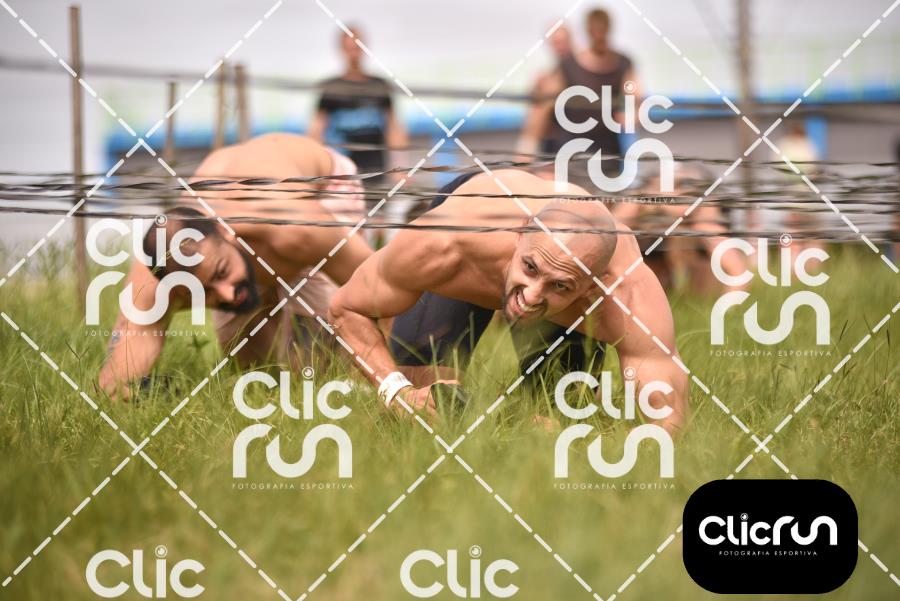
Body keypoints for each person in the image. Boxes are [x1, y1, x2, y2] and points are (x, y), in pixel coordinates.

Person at [329, 169, 687, 433]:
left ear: (593, 287)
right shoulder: (447, 241)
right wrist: (397, 392)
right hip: (478, 208)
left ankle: (506, 414)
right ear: (519, 234)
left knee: (561, 415)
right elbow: (346, 308)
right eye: (529, 268)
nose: (530, 297)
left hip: (572, 249)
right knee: (427, 407)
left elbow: (668, 421)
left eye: (559, 285)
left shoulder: (625, 294)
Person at [98, 133, 373, 398]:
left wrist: (386, 378)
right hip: (251, 227)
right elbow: (119, 371)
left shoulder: (297, 227)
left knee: (316, 368)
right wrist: (126, 389)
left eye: (222, 272)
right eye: (205, 292)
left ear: (225, 231)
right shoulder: (161, 265)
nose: (227, 294)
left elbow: (375, 286)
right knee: (251, 368)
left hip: (324, 189)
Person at [309, 25, 409, 246]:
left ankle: (377, 260)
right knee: (353, 227)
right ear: (342, 50)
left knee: (381, 224)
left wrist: (401, 166)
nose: (354, 52)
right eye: (349, 48)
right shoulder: (332, 88)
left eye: (358, 47)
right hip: (345, 172)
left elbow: (393, 127)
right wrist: (316, 167)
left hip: (378, 167)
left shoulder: (379, 86)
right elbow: (317, 130)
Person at [519, 8, 639, 175]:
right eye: (554, 43)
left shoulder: (621, 63)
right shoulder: (558, 72)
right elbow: (538, 116)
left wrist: (631, 114)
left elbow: (635, 100)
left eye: (562, 42)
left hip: (607, 157)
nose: (559, 47)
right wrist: (525, 155)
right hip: (569, 157)